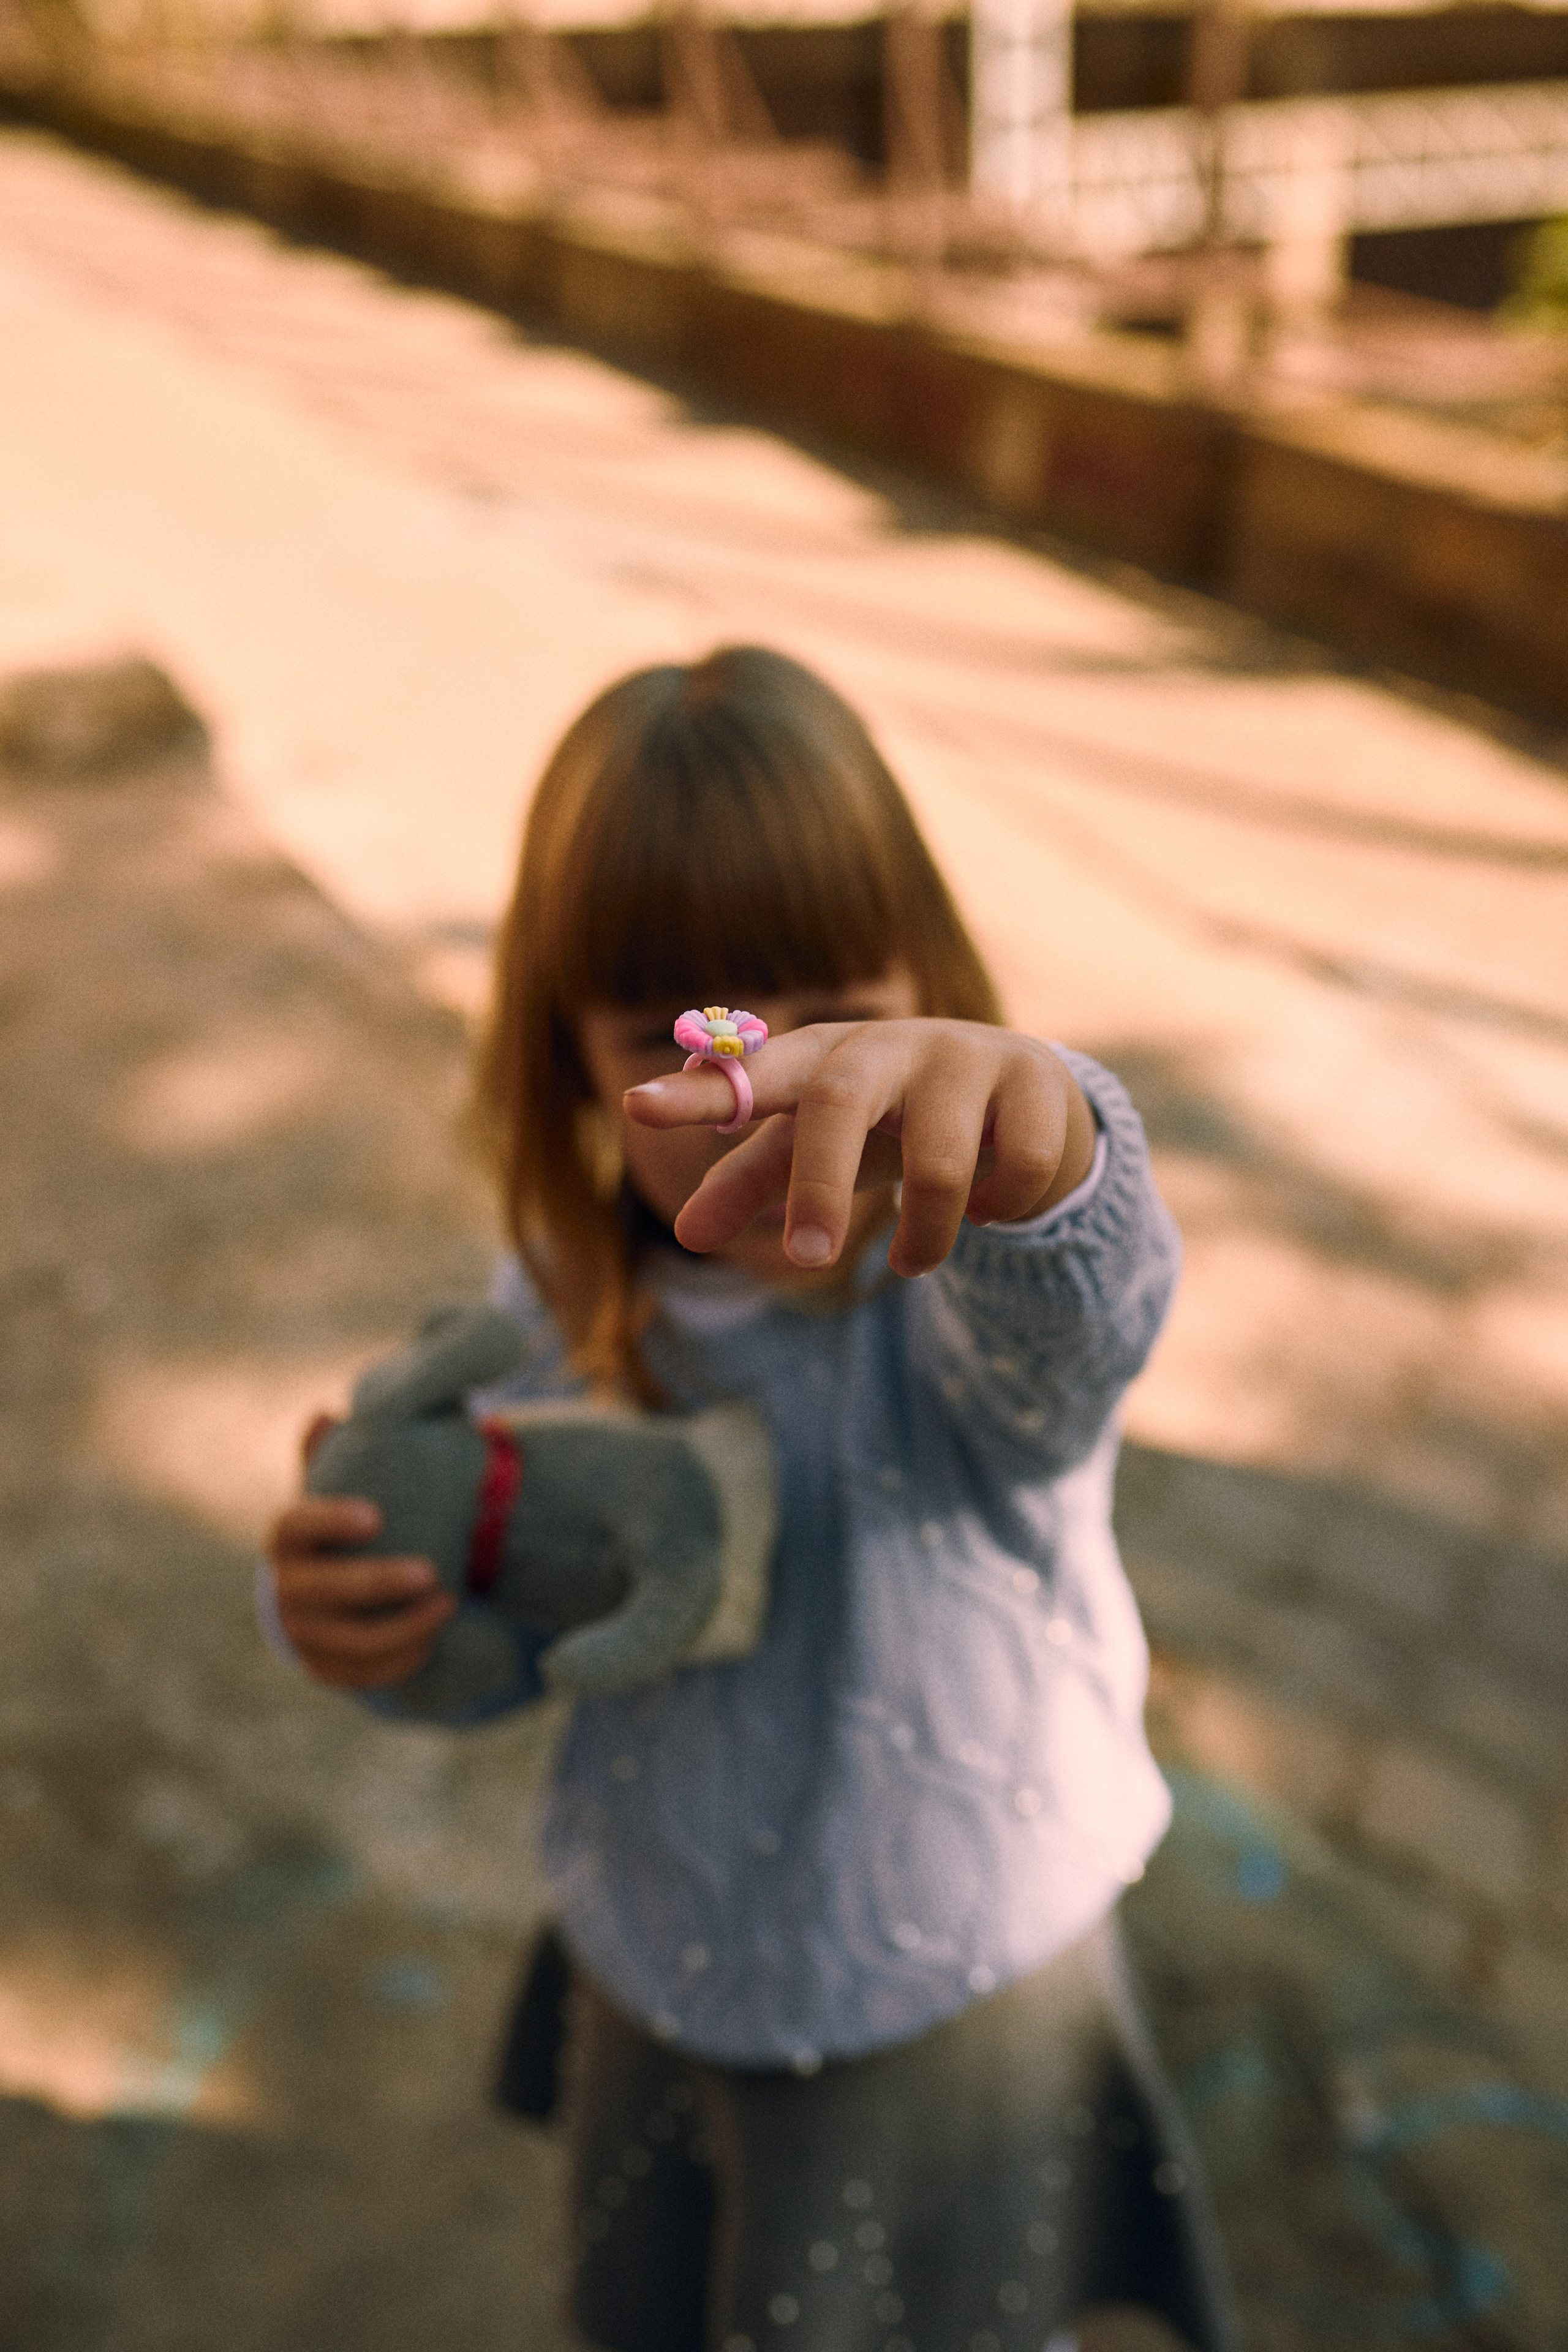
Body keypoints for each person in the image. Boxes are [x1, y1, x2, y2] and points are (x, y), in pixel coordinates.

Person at [266, 645, 1238, 2352]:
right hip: (665, 1939)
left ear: (927, 994)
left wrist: (1052, 1144)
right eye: (675, 1033)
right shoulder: (544, 1318)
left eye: (830, 1014)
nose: (762, 1077)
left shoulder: (959, 1305)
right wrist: (378, 1628)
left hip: (951, 1988)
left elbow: (1086, 1328)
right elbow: (514, 1643)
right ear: (570, 1061)